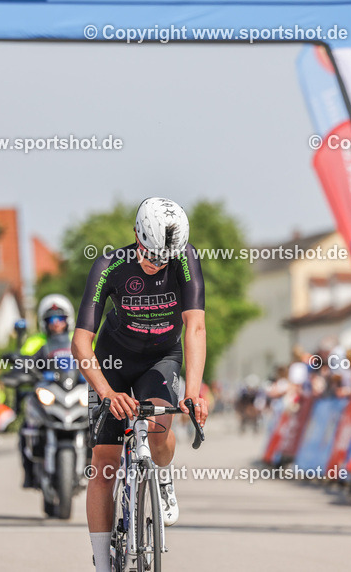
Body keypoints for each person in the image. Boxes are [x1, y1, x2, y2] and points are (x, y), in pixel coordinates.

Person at [72, 197, 207, 572]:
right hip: (113, 362)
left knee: (161, 430)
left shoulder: (183, 257)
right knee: (104, 465)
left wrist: (193, 393)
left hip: (161, 358)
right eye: (149, 256)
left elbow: (195, 326)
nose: (156, 264)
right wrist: (105, 392)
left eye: (164, 259)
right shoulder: (109, 266)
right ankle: (102, 564)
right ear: (136, 235)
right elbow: (81, 341)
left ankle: (161, 475)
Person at [15, 294, 77, 489]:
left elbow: (96, 360)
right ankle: (29, 472)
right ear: (44, 322)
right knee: (27, 428)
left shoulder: (79, 339)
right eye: (51, 319)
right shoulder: (35, 342)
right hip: (47, 394)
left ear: (68, 320)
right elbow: (22, 362)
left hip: (75, 392)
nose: (56, 323)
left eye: (60, 318)